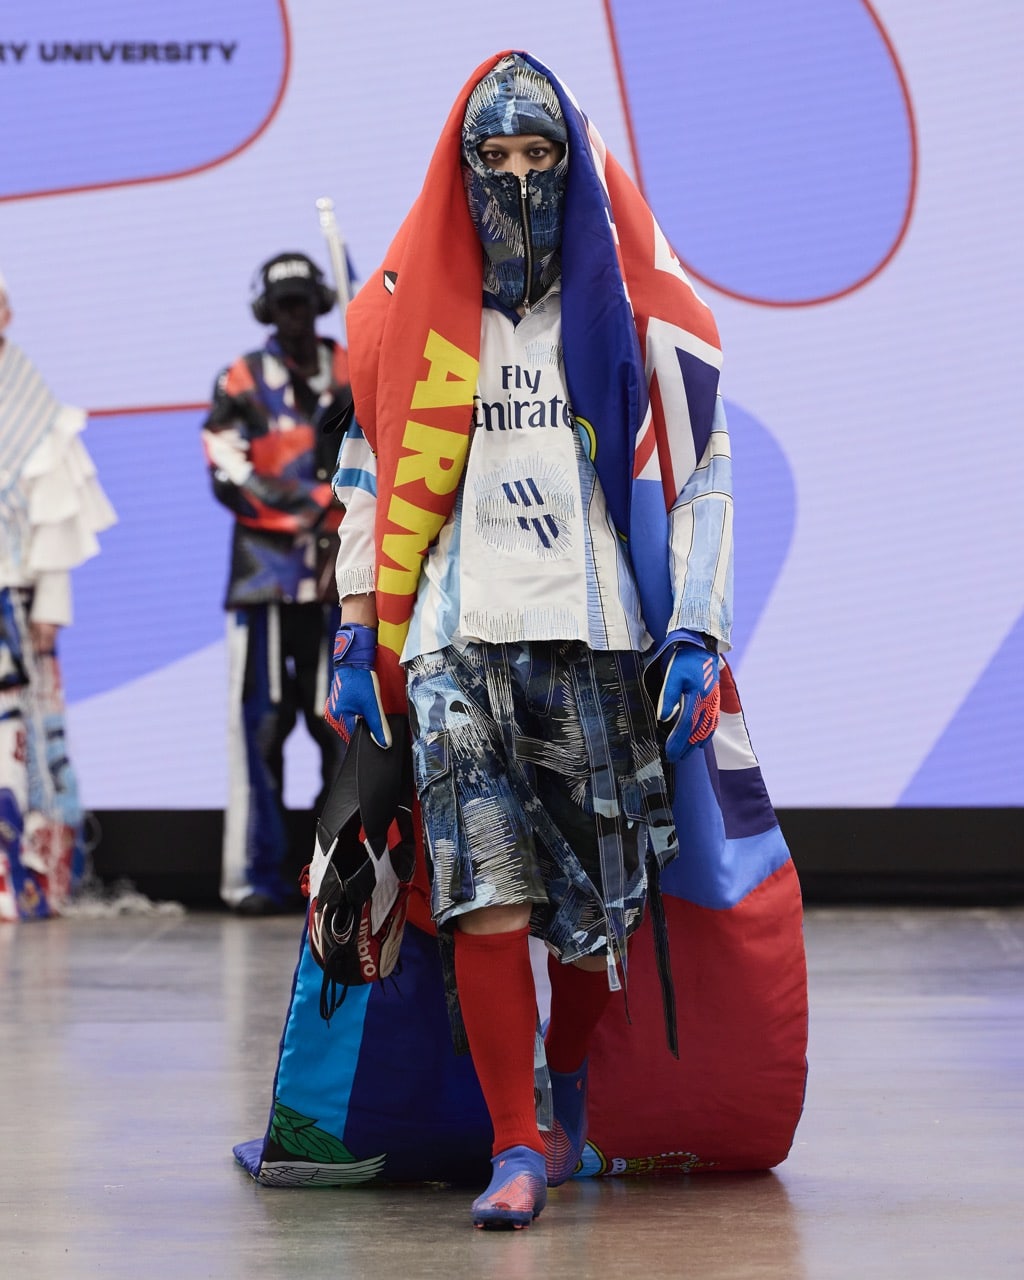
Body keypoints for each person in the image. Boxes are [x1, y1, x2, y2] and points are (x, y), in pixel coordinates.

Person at [326, 52, 733, 1228]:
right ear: (460, 171)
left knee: (597, 905)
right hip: (458, 641)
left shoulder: (636, 311)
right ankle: (514, 1142)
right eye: (492, 158)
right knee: (483, 896)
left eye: (537, 155)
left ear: (573, 166)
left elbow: (700, 470)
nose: (513, 178)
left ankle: (562, 1095)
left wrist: (698, 625)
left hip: (596, 638)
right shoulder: (410, 312)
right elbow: (368, 474)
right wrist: (358, 633)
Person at [201, 252, 350, 916]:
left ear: (320, 303)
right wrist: (310, 501)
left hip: (337, 582)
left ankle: (338, 874)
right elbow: (225, 466)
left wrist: (340, 497)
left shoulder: (353, 368)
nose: (296, 315)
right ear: (268, 311)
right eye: (283, 304)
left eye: (305, 302)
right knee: (258, 730)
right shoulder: (240, 377)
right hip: (264, 583)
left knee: (338, 726)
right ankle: (253, 876)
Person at [0, 268, 117, 921]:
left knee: (14, 744)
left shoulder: (34, 409)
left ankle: (19, 877)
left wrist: (49, 607)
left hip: (11, 605)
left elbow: (55, 514)